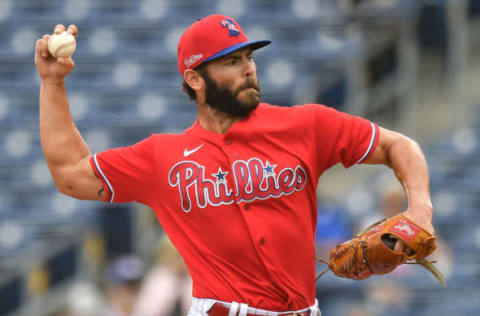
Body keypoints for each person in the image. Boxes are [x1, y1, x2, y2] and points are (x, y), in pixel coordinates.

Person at [34, 14, 435, 316]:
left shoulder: (305, 124)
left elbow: (399, 146)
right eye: (230, 61)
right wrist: (53, 84)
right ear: (194, 78)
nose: (248, 68)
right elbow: (71, 174)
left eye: (248, 56)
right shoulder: (162, 157)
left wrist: (420, 210)